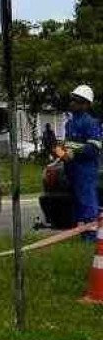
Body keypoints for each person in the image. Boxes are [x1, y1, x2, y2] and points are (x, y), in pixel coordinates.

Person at [55, 85, 102, 233]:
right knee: (77, 205)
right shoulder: (70, 123)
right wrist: (59, 150)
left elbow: (94, 148)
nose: (72, 103)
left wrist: (73, 154)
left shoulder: (90, 123)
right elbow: (69, 144)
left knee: (88, 204)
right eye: (72, 100)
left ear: (86, 104)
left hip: (85, 171)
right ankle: (82, 235)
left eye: (77, 100)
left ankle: (91, 237)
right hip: (72, 170)